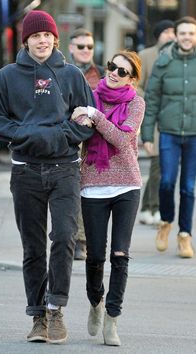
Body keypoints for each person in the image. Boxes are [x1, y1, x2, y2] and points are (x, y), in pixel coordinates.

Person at [0, 10, 95, 344]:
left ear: (54, 39)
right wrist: (27, 134)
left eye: (46, 35)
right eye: (35, 36)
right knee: (32, 247)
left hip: (65, 169)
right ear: (26, 41)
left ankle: (56, 309)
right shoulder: (7, 76)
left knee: (64, 237)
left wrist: (61, 136)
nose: (42, 41)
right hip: (26, 171)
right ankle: (37, 317)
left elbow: (87, 119)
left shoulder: (72, 75)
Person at [72, 51, 145, 346]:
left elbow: (121, 139)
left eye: (122, 71)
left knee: (120, 255)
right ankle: (96, 303)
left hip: (127, 184)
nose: (114, 72)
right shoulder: (90, 95)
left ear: (133, 79)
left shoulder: (136, 103)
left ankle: (112, 318)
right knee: (96, 256)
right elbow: (76, 124)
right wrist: (81, 116)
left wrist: (95, 116)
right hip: (92, 184)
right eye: (112, 67)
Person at [141, 16, 196, 258]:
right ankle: (165, 222)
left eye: (191, 33)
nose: (187, 37)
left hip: (194, 134)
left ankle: (185, 235)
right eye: (183, 33)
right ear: (176, 35)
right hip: (169, 133)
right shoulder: (164, 62)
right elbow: (151, 100)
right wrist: (146, 134)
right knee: (166, 182)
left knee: (188, 188)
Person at [69, 28, 105, 260]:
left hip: (96, 139)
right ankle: (78, 240)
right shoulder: (63, 71)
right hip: (71, 137)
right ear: (71, 47)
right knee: (74, 188)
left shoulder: (102, 73)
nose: (85, 51)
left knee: (92, 190)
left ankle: (89, 240)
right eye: (81, 46)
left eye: (89, 47)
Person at [138, 19, 175, 226]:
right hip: (152, 116)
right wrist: (153, 97)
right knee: (157, 163)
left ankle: (148, 207)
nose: (171, 35)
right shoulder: (146, 56)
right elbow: (136, 86)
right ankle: (152, 207)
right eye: (167, 31)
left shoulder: (179, 57)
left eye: (173, 31)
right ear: (158, 34)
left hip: (172, 118)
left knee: (161, 165)